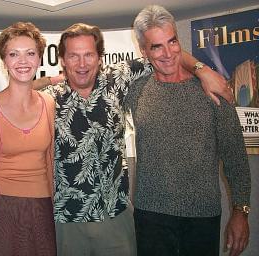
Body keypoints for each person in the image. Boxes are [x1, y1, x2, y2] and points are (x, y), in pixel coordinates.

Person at [41, 22, 233, 256]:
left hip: (116, 218)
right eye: (73, 56)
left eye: (89, 55)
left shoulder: (117, 79)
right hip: (66, 222)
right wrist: (50, 80)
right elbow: (17, 91)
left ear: (100, 57)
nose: (82, 64)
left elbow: (166, 53)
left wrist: (203, 69)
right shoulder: (47, 100)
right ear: (62, 59)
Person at [124, 5, 251, 256]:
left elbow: (236, 158)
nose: (168, 53)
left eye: (172, 42)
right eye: (156, 46)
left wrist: (241, 211)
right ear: (144, 52)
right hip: (151, 216)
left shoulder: (212, 91)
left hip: (202, 217)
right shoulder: (135, 90)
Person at [0, 22, 56, 256]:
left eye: (30, 53)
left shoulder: (49, 104)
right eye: (14, 54)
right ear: (4, 61)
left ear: (40, 59)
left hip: (42, 207)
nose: (23, 61)